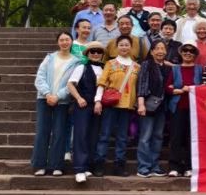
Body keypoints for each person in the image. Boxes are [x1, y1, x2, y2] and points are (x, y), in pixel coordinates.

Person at [31, 31, 79, 176]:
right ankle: (39, 165)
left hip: (62, 101)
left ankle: (57, 165)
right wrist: (47, 94)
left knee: (59, 132)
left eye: (67, 39)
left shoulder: (76, 62)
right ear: (58, 42)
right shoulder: (49, 58)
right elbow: (40, 77)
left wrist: (58, 96)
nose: (64, 42)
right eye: (61, 40)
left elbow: (73, 83)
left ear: (71, 41)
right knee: (42, 131)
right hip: (44, 98)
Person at [92, 35, 140, 177]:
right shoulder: (110, 63)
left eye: (127, 45)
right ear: (116, 47)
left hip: (127, 106)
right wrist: (97, 100)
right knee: (105, 135)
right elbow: (102, 83)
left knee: (122, 137)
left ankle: (119, 165)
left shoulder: (137, 66)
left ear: (131, 47)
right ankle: (99, 163)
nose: (124, 47)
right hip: (111, 105)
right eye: (121, 45)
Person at [66, 41, 105, 183]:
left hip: (98, 106)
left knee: (93, 136)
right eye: (92, 51)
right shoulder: (81, 67)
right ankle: (79, 169)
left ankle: (88, 165)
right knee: (81, 136)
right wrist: (78, 98)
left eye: (99, 51)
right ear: (88, 54)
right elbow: (70, 84)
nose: (96, 54)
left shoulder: (105, 69)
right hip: (83, 106)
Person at [165, 43, 203, 177]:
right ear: (181, 53)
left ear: (195, 55)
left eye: (191, 51)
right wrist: (178, 90)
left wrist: (192, 88)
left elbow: (204, 87)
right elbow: (167, 87)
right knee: (176, 137)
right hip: (177, 107)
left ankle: (189, 166)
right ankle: (174, 166)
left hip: (194, 109)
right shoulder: (175, 69)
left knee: (190, 138)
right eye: (185, 50)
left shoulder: (199, 69)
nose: (188, 53)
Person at [135, 39, 169, 178]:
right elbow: (141, 84)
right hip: (148, 106)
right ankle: (143, 167)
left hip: (161, 107)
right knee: (145, 137)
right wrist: (141, 104)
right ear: (152, 51)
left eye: (163, 48)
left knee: (158, 137)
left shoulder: (166, 67)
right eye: (157, 48)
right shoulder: (146, 64)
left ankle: (155, 166)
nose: (160, 51)